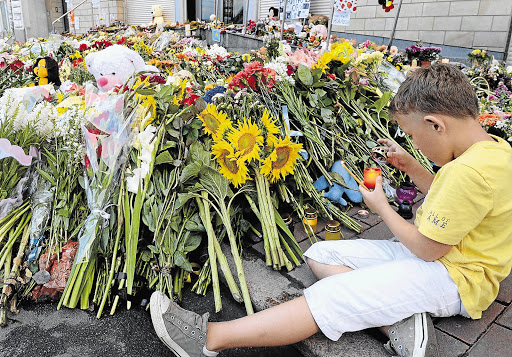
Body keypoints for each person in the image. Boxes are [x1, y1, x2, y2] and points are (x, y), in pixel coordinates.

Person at [149, 64, 512, 357]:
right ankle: (399, 319)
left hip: (455, 277)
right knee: (322, 252)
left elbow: (428, 248)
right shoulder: (493, 150)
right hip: (445, 258)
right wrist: (412, 167)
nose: (414, 143)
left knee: (334, 297)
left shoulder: (467, 171)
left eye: (413, 136)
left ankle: (209, 339)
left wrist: (381, 207)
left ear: (436, 124)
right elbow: (455, 202)